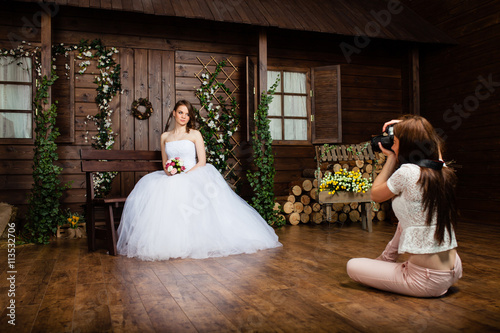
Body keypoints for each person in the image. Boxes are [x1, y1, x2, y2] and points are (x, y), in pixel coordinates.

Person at [117, 100, 282, 261]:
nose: (183, 116)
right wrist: (170, 171)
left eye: (187, 114)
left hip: (193, 174)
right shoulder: (165, 137)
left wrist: (186, 174)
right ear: (174, 113)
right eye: (180, 112)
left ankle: (199, 241)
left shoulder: (195, 134)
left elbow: (202, 161)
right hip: (171, 177)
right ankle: (172, 242)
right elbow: (165, 162)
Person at [346, 115, 462, 297]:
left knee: (352, 266)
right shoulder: (442, 170)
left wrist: (391, 158)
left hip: (427, 279)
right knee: (406, 219)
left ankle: (388, 265)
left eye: (395, 141)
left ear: (407, 144)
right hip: (453, 268)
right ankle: (385, 260)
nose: (392, 145)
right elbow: (435, 145)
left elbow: (375, 194)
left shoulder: (407, 172)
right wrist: (411, 127)